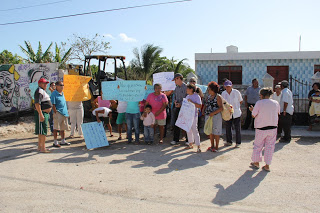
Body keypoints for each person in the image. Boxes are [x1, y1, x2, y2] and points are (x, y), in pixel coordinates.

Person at [249, 87, 280, 172]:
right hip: (273, 127)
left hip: (261, 128)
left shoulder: (259, 103)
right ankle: (267, 165)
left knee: (258, 145)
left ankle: (256, 162)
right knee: (270, 147)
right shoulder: (276, 103)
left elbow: (254, 115)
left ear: (261, 95)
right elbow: (278, 113)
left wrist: (252, 110)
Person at [202, 81, 223, 152]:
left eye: (209, 89)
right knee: (210, 131)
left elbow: (221, 108)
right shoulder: (208, 97)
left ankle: (216, 147)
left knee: (216, 131)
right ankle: (212, 146)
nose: (208, 90)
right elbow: (206, 104)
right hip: (208, 116)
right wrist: (203, 110)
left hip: (216, 116)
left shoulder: (218, 97)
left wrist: (213, 113)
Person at [221, 80, 243, 148]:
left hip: (236, 112)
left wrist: (236, 107)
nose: (227, 88)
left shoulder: (236, 92)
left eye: (229, 86)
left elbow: (240, 101)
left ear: (231, 86)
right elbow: (222, 103)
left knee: (237, 128)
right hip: (227, 113)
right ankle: (229, 141)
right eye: (226, 86)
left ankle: (238, 142)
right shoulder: (223, 93)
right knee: (228, 127)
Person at [34, 78, 52, 153]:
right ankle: (42, 148)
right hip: (42, 113)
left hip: (44, 113)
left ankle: (40, 146)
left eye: (46, 83)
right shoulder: (39, 91)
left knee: (42, 131)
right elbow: (37, 104)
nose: (46, 85)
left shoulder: (42, 91)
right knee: (43, 131)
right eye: (44, 83)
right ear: (39, 84)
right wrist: (41, 114)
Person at [51, 81, 70, 147]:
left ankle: (63, 140)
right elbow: (53, 104)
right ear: (57, 86)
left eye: (63, 85)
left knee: (63, 127)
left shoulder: (62, 93)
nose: (62, 86)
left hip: (64, 113)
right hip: (58, 112)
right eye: (61, 85)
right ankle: (55, 141)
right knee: (56, 127)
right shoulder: (54, 94)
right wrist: (55, 112)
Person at [170, 73, 187, 145]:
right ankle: (175, 140)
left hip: (186, 109)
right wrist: (175, 102)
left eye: (175, 80)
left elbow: (188, 98)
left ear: (179, 78)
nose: (175, 81)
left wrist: (181, 104)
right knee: (176, 124)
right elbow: (175, 97)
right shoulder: (176, 88)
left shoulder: (187, 87)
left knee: (186, 124)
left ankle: (188, 140)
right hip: (177, 108)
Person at [184, 84, 202, 152]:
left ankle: (198, 146)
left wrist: (191, 102)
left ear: (191, 89)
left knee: (195, 130)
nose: (186, 90)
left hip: (194, 115)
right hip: (188, 115)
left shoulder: (197, 96)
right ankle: (190, 144)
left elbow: (199, 106)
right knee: (188, 130)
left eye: (187, 89)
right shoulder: (187, 96)